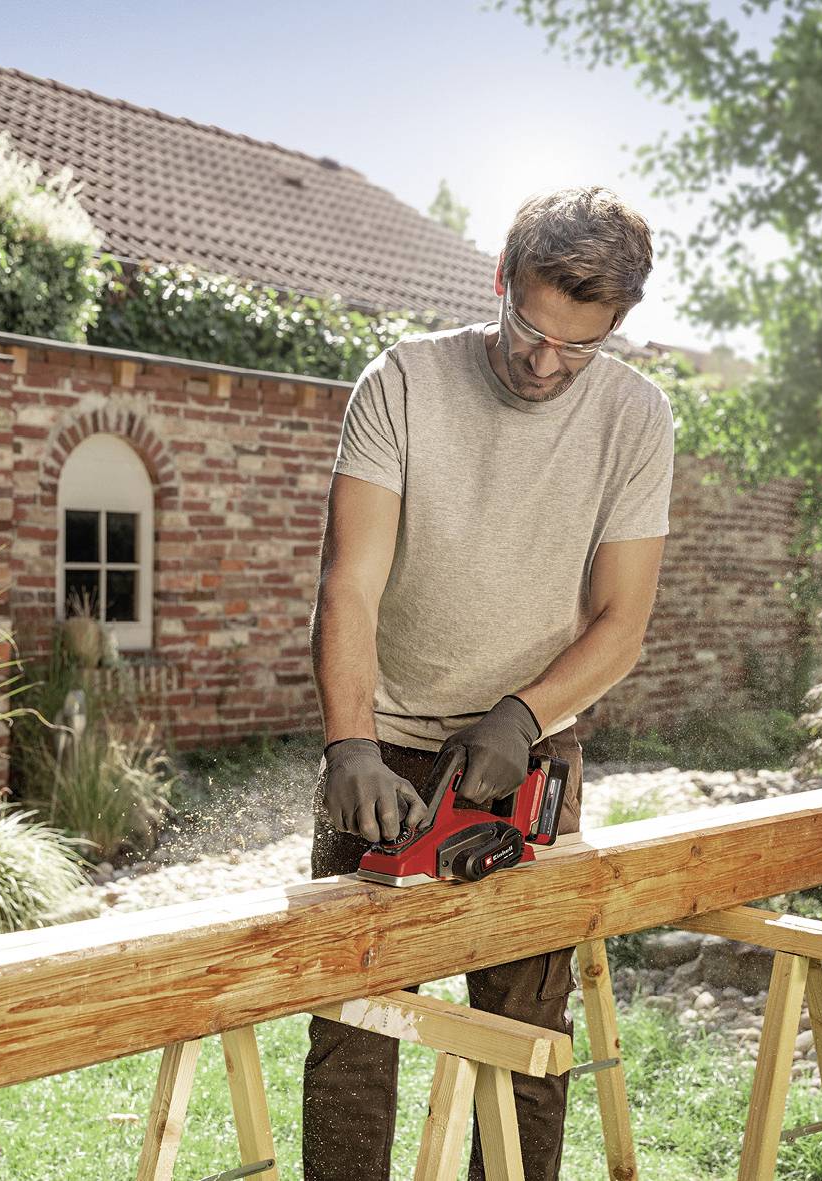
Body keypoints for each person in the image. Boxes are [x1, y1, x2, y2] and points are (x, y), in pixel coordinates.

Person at [302, 184, 674, 1181]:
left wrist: (521, 714)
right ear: (499, 282)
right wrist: (349, 744)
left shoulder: (635, 418)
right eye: (528, 329)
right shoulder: (402, 383)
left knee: (522, 1037)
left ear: (615, 327)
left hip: (526, 755)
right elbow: (348, 584)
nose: (543, 363)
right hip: (382, 749)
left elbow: (621, 622)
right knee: (353, 1024)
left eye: (577, 347)